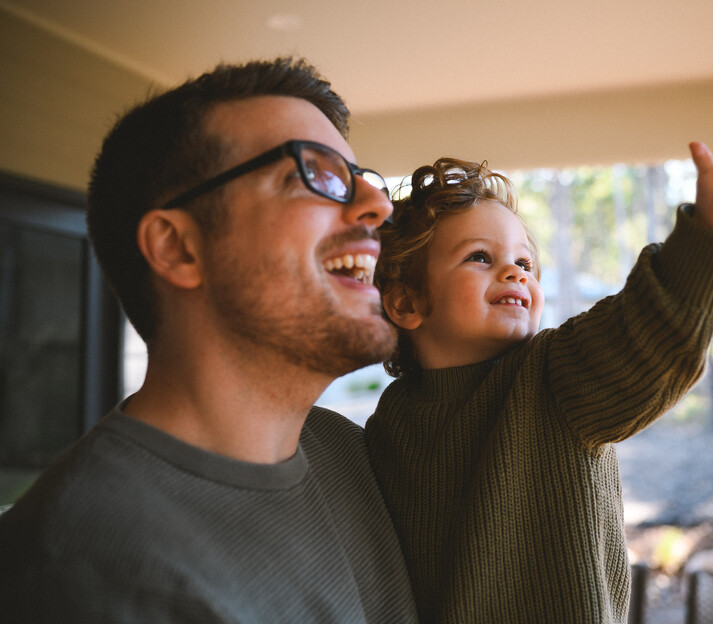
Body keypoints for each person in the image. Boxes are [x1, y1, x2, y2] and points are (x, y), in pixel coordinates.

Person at [0, 58, 417, 622]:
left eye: (357, 177)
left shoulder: (347, 453)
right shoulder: (89, 566)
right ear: (178, 248)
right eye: (315, 174)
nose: (378, 206)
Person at [365, 112, 713, 623]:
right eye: (479, 256)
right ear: (406, 304)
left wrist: (711, 235)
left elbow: (647, 338)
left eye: (525, 263)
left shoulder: (550, 375)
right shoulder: (389, 425)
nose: (514, 272)